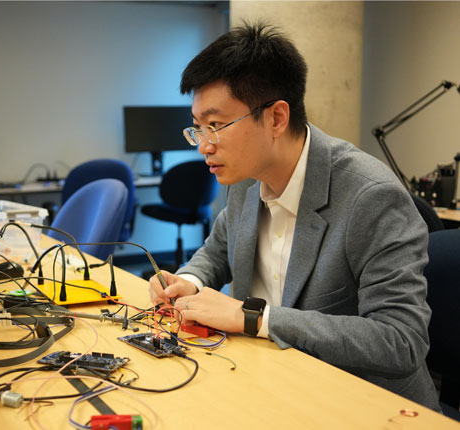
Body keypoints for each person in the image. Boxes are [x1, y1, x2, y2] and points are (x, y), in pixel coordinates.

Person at [148, 21, 441, 411]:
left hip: (366, 405)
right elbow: (218, 250)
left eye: (216, 126)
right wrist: (188, 279)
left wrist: (254, 318)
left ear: (276, 118)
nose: (203, 146)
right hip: (272, 384)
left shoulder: (370, 197)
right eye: (197, 128)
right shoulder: (243, 177)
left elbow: (400, 341)